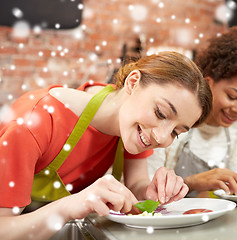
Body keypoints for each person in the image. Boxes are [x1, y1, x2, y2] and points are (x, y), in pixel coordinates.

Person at [0, 51, 212, 239]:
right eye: (161, 113)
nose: (161, 136)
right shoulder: (32, 124)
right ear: (132, 83)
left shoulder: (128, 121)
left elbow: (136, 183)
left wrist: (151, 192)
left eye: (176, 132)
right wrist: (71, 205)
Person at [147, 26, 237, 197]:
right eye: (232, 96)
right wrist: (192, 183)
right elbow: (145, 191)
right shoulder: (174, 121)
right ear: (208, 82)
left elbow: (230, 194)